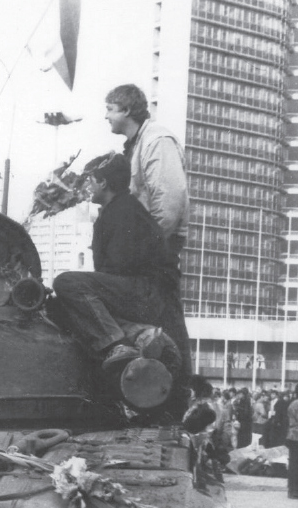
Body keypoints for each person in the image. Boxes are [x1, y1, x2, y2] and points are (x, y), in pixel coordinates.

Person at [52, 154, 189, 377]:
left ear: (103, 182)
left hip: (147, 294)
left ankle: (116, 345)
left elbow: (118, 267)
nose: (88, 185)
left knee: (66, 283)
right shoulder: (122, 209)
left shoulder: (123, 211)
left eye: (91, 180)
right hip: (146, 292)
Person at [105, 84, 189, 256]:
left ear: (126, 110)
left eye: (110, 109)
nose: (106, 116)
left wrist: (145, 247)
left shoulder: (157, 141)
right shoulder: (139, 142)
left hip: (157, 242)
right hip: (148, 239)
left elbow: (169, 202)